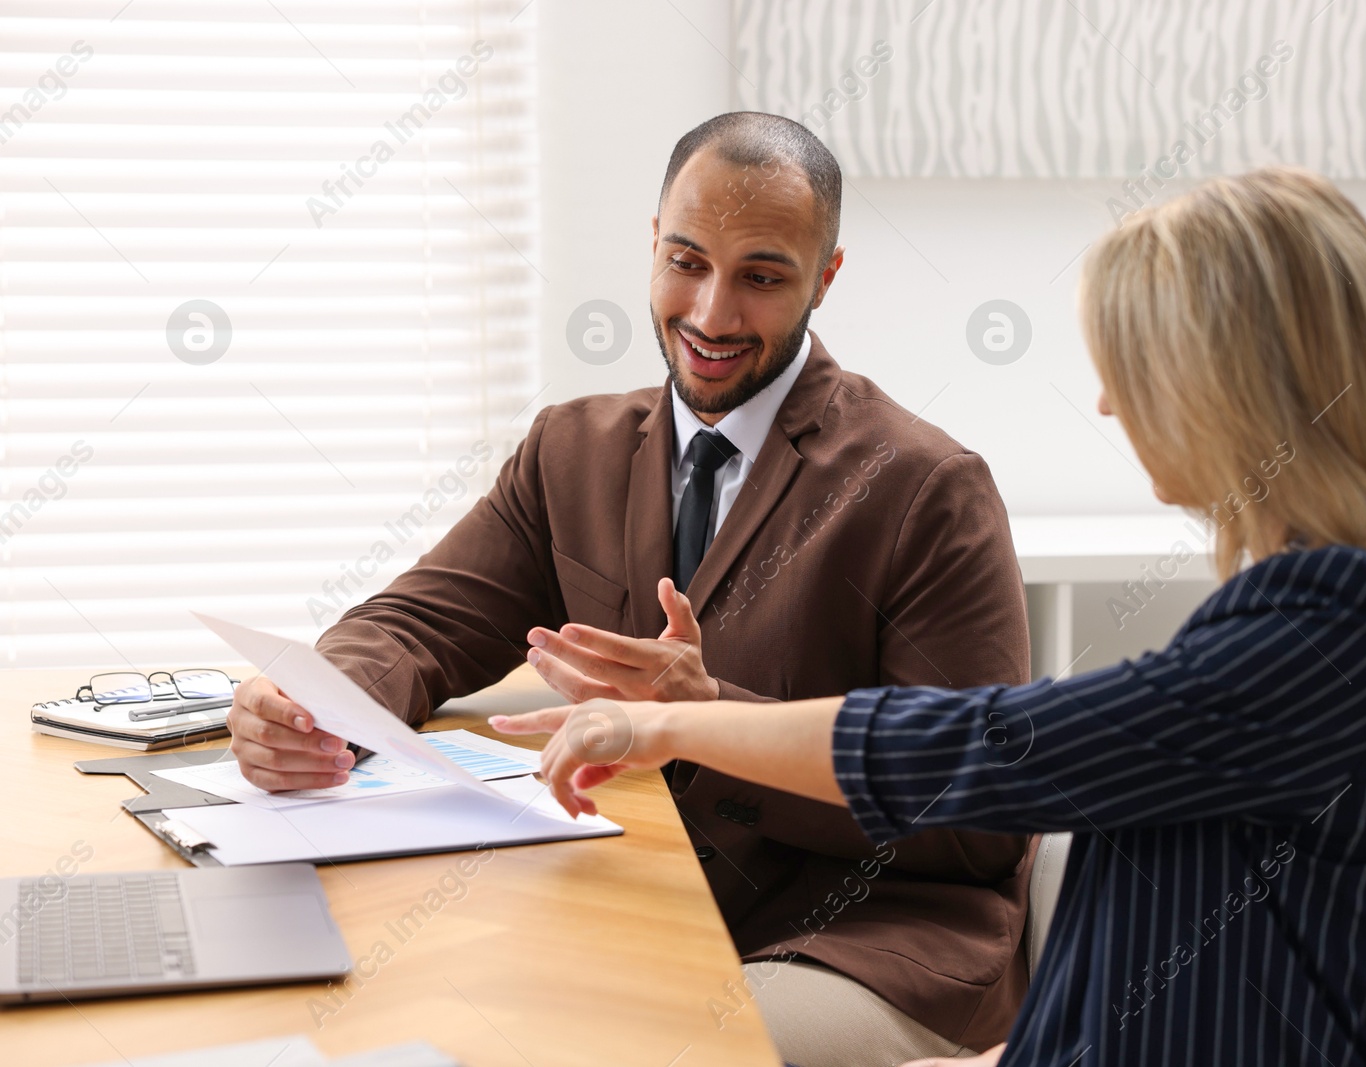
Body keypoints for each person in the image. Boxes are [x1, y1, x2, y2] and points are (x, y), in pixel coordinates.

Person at [502, 166, 1366, 1067]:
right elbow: (1164, 958)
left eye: (1133, 368)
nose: (1107, 404)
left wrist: (672, 719)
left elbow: (999, 745)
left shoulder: (1340, 626)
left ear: (1231, 385)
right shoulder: (1345, 614)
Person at [225, 112, 1036, 1064]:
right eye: (687, 261)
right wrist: (319, 704)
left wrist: (707, 718)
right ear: (653, 244)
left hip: (848, 938)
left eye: (763, 276)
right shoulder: (572, 449)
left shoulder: (924, 488)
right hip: (629, 894)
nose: (713, 313)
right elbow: (421, 621)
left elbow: (980, 811)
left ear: (826, 277)